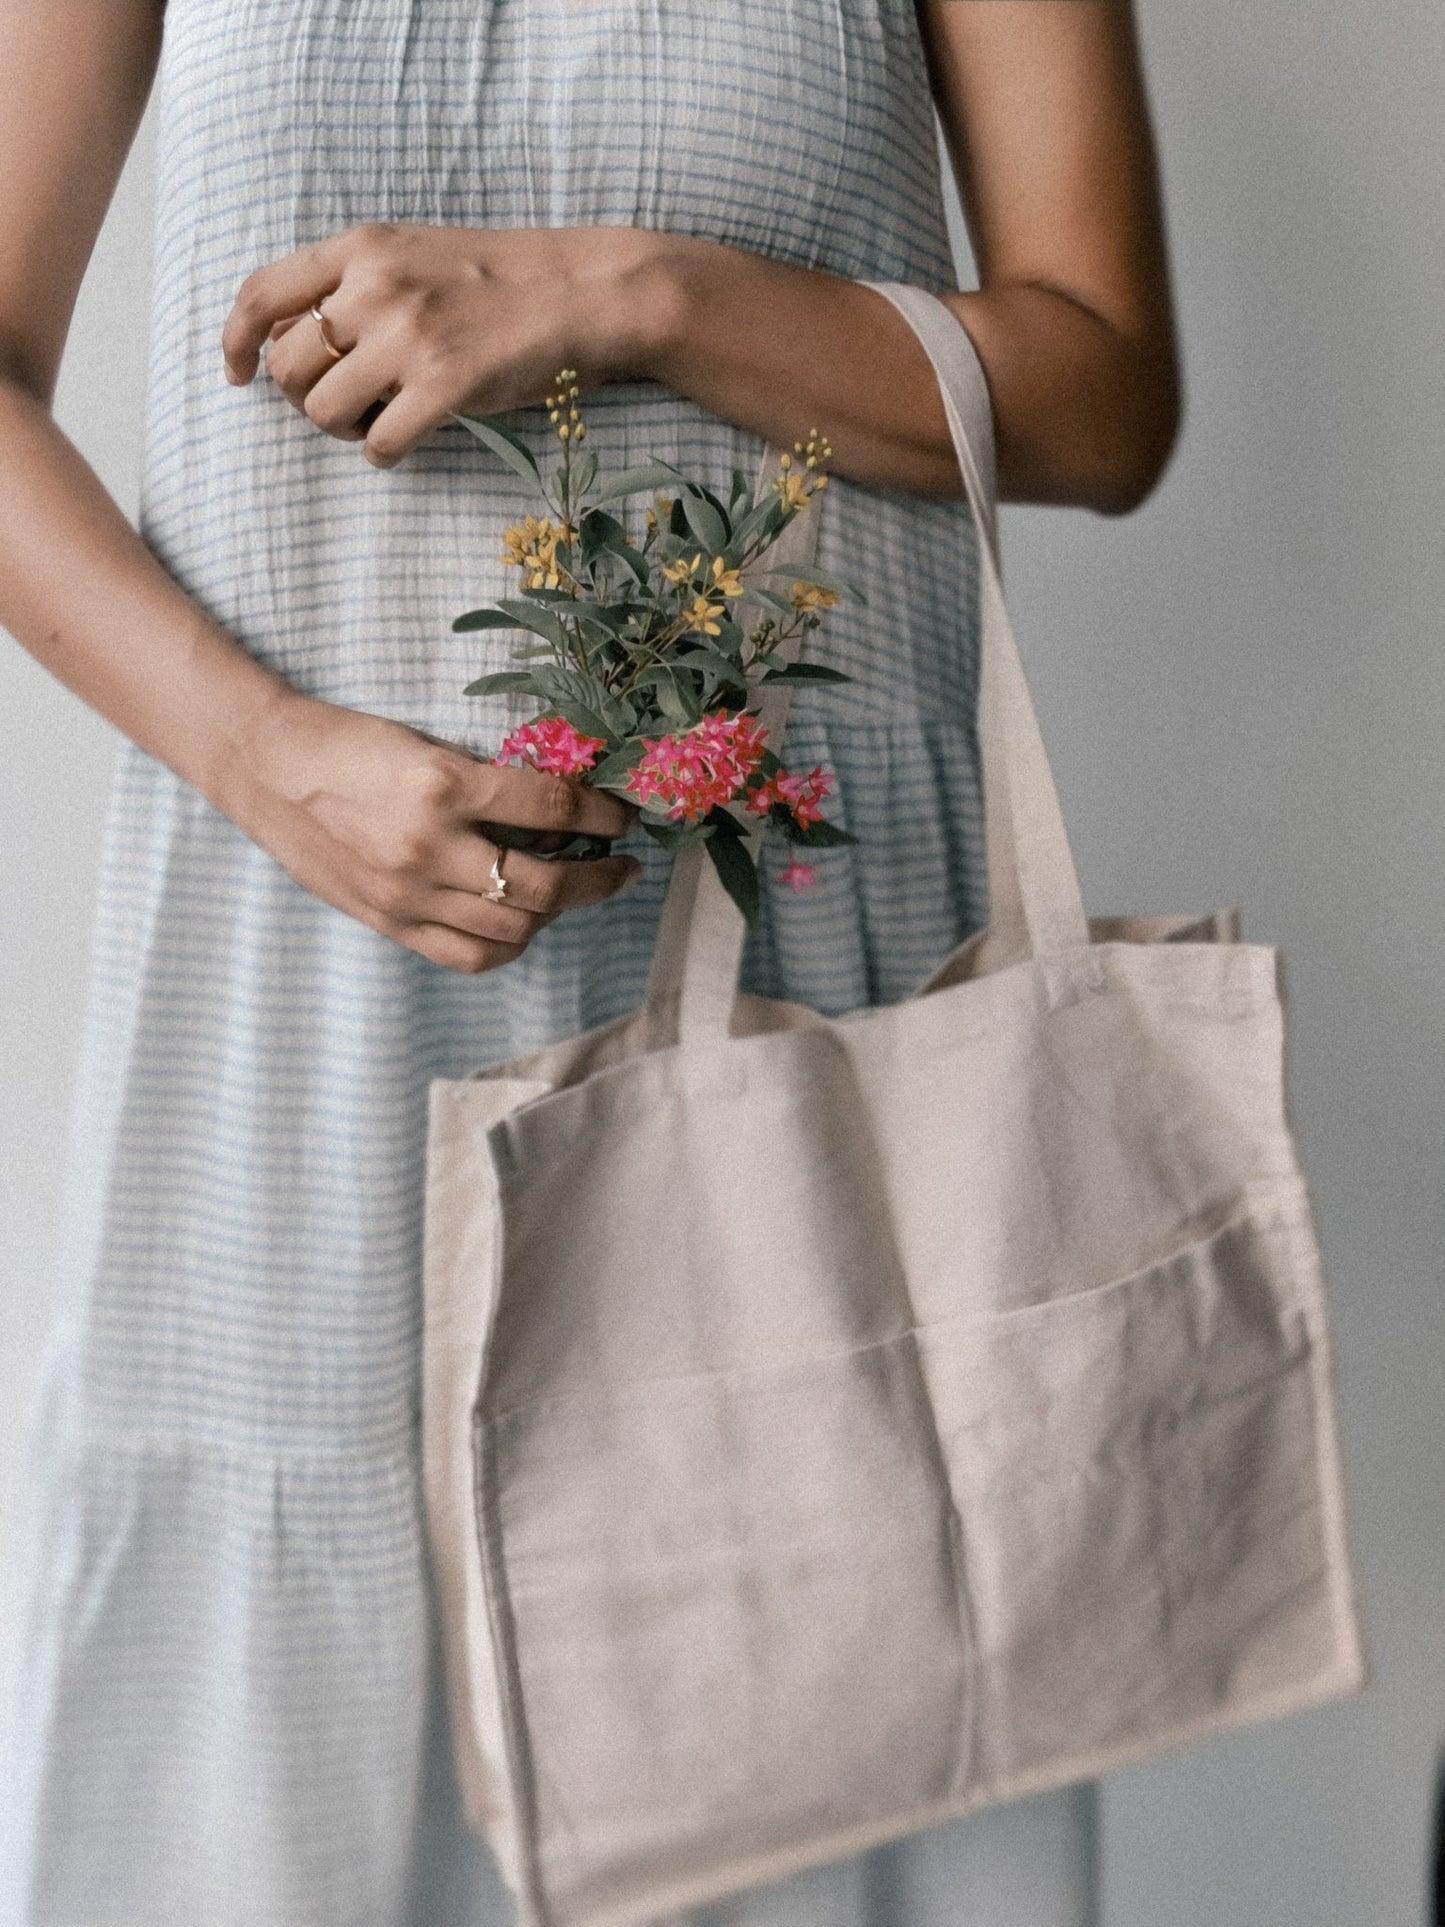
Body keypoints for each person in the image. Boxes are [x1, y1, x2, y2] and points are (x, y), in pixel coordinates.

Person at [0, 0, 1180, 1921]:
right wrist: (258, 751)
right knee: (249, 1791)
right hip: (297, 988)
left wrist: (626, 294)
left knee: (805, 1708)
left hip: (799, 992)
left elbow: (1103, 394)